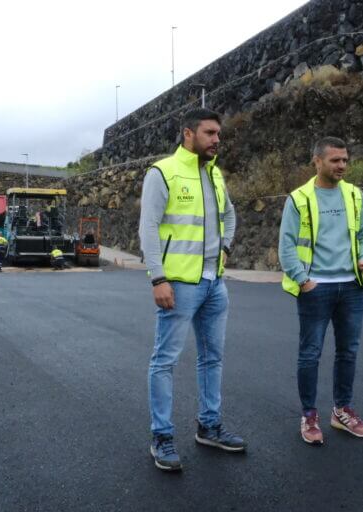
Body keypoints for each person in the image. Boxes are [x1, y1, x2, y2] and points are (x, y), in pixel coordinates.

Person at [138, 108, 244, 472]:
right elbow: (148, 228)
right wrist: (158, 278)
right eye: (210, 133)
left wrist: (225, 248)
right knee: (164, 361)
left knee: (212, 358)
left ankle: (209, 426)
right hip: (179, 285)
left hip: (215, 283)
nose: (217, 140)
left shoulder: (214, 174)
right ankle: (162, 436)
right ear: (188, 134)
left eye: (219, 134)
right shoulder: (163, 172)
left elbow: (229, 215)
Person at [278, 136, 363, 446]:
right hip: (315, 288)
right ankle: (309, 415)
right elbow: (287, 246)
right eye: (335, 160)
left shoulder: (355, 195)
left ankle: (342, 411)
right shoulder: (299, 198)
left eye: (345, 159)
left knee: (348, 351)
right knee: (310, 354)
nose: (342, 165)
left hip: (351, 287)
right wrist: (302, 279)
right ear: (317, 161)